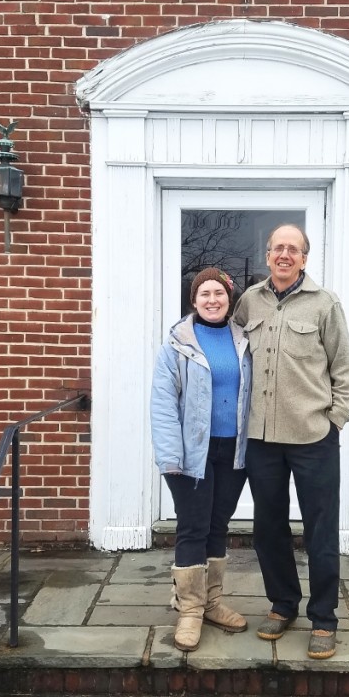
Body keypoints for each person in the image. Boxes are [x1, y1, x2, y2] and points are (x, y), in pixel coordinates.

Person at [232, 224, 349, 660]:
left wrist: (334, 421)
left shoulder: (326, 304)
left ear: (304, 258)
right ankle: (283, 604)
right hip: (261, 438)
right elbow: (231, 352)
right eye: (277, 248)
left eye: (293, 249)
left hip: (312, 437)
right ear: (267, 256)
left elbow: (345, 371)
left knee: (321, 531)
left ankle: (324, 617)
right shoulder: (250, 301)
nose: (284, 255)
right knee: (268, 529)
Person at [150, 267, 253, 652]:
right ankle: (189, 610)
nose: (213, 299)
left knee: (217, 525)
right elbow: (162, 405)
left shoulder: (244, 340)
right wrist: (170, 456)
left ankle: (211, 603)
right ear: (193, 301)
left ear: (230, 298)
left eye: (220, 293)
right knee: (193, 527)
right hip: (191, 453)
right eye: (204, 293)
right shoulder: (176, 346)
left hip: (233, 450)